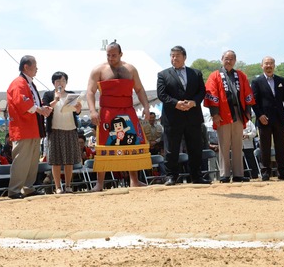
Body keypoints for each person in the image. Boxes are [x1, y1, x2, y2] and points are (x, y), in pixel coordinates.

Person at [86, 40, 151, 191]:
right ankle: (99, 184)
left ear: (121, 54)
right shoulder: (99, 70)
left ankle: (134, 180)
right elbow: (90, 91)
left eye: (114, 55)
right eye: (108, 55)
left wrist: (146, 107)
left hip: (127, 109)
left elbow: (139, 89)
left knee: (131, 143)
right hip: (107, 111)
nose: (111, 58)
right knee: (104, 145)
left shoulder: (130, 69)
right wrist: (92, 111)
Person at [157, 45, 210, 185]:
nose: (174, 58)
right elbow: (162, 95)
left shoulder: (196, 73)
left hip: (193, 116)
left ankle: (196, 176)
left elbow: (202, 92)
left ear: (184, 57)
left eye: (177, 56)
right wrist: (176, 103)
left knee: (195, 148)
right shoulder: (163, 75)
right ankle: (171, 177)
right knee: (171, 149)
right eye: (172, 56)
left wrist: (194, 102)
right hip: (173, 117)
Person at [204, 50, 255, 183]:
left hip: (238, 112)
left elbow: (247, 93)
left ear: (235, 61)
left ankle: (238, 174)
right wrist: (214, 114)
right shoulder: (214, 75)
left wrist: (248, 110)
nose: (229, 61)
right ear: (221, 59)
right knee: (224, 144)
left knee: (238, 144)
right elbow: (211, 94)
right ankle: (224, 174)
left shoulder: (241, 75)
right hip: (223, 113)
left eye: (232, 59)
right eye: (226, 58)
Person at [7, 55, 52, 199]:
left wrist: (41, 108)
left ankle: (28, 187)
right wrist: (40, 109)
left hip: (33, 127)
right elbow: (23, 103)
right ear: (26, 66)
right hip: (23, 127)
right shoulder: (19, 83)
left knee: (32, 160)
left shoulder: (29, 83)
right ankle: (14, 189)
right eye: (35, 66)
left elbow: (31, 103)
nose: (37, 69)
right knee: (22, 160)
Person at [251, 56, 284, 181]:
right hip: (264, 118)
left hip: (280, 118)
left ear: (274, 65)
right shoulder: (256, 81)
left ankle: (283, 172)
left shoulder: (281, 80)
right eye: (266, 64)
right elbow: (254, 101)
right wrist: (259, 115)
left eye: (271, 64)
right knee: (264, 146)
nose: (269, 66)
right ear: (262, 66)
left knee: (281, 145)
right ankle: (265, 172)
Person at [42, 71, 82, 194]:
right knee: (56, 160)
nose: (61, 83)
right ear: (53, 83)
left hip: (70, 129)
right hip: (54, 130)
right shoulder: (48, 94)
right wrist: (56, 99)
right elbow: (45, 108)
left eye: (63, 81)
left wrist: (78, 108)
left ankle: (69, 185)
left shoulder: (71, 95)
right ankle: (58, 187)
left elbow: (76, 112)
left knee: (69, 159)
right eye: (58, 81)